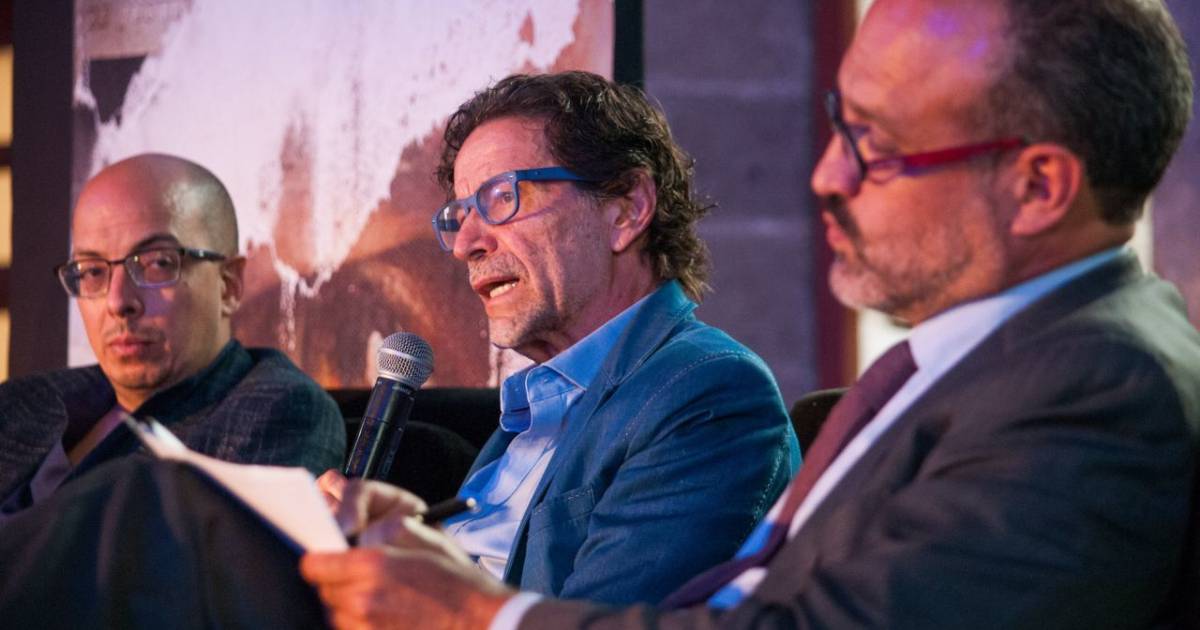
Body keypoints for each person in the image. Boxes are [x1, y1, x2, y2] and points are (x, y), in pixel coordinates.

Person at [299, 0, 1200, 628]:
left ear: (1038, 186)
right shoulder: (998, 361)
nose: (826, 176)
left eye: (874, 145)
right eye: (837, 126)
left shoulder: (1097, 386)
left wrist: (469, 613)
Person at [318, 71, 800, 604]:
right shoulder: (532, 412)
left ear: (627, 208)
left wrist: (423, 597)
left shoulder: (708, 392)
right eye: (460, 215)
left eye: (502, 197)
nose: (466, 244)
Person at [0, 153, 345, 517]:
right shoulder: (22, 403)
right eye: (93, 271)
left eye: (157, 263)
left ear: (228, 285)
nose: (118, 302)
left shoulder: (275, 410)